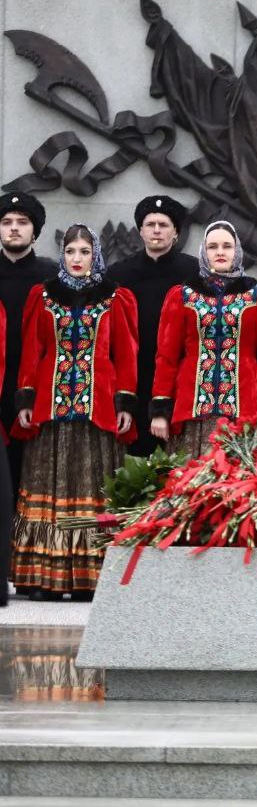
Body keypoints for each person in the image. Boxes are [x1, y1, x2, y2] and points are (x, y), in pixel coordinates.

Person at [10, 225, 137, 600]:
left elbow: (126, 354)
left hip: (98, 407)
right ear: (62, 255)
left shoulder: (116, 298)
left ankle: (90, 577)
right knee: (48, 488)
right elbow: (31, 350)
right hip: (51, 407)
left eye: (84, 251)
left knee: (93, 487)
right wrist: (25, 399)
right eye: (70, 252)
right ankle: (44, 577)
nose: (77, 259)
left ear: (95, 254)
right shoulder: (44, 296)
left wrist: (125, 402)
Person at [149, 222, 257, 460]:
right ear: (203, 252)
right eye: (213, 246)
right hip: (193, 409)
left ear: (237, 251)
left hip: (243, 409)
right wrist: (160, 409)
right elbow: (166, 356)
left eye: (227, 246)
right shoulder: (183, 297)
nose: (220, 252)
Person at [107, 196, 199, 456]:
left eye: (164, 224)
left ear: (176, 233)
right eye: (150, 224)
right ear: (140, 231)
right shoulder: (118, 275)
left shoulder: (194, 272)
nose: (157, 230)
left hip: (178, 374)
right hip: (133, 373)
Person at [0, 195, 57, 504]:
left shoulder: (50, 278)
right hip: (0, 380)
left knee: (33, 469)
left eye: (22, 223)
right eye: (7, 222)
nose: (14, 229)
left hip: (37, 385)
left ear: (34, 232)